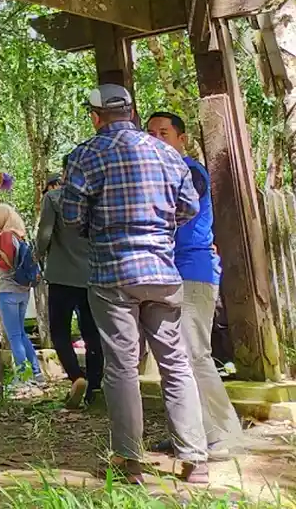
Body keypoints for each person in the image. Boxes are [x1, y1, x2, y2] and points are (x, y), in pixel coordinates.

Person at [62, 84, 208, 483]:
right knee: (176, 364)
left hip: (113, 274)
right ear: (132, 112)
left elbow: (72, 217)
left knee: (122, 367)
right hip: (162, 273)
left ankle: (130, 462)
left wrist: (102, 229)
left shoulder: (85, 155)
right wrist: (160, 230)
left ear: (95, 116)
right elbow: (190, 206)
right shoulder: (166, 152)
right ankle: (195, 459)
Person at [146, 111, 243, 459]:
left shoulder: (189, 172)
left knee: (194, 354)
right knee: (176, 357)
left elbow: (178, 221)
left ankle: (223, 434)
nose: (158, 139)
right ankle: (190, 434)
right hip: (166, 273)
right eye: (151, 134)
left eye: (165, 133)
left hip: (193, 270)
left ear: (181, 139)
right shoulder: (155, 177)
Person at [35, 164, 104, 410]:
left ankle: (77, 377)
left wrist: (37, 255)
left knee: (60, 332)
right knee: (92, 333)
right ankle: (95, 387)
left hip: (61, 275)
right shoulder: (96, 198)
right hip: (92, 276)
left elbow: (44, 234)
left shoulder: (53, 198)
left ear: (65, 173)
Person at [0, 202, 44, 389]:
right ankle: (37, 372)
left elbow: (6, 265)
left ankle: (23, 376)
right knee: (21, 333)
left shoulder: (5, 236)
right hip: (23, 291)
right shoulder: (19, 236)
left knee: (14, 335)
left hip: (8, 290)